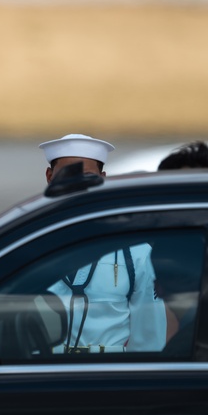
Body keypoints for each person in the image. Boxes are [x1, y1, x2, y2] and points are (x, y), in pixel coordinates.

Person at [39, 134, 167, 352]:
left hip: (107, 376)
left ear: (102, 178)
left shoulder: (135, 252)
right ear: (50, 176)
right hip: (41, 375)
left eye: (88, 176)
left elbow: (150, 339)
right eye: (67, 176)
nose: (77, 185)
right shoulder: (30, 242)